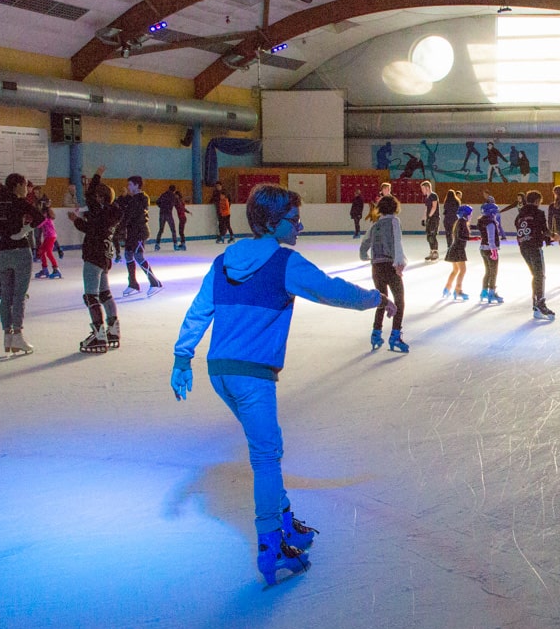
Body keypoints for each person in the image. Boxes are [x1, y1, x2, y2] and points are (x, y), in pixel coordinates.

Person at [170, 184, 395, 586]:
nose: (301, 226)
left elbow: (199, 309)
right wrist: (376, 299)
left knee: (266, 449)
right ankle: (270, 543)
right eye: (294, 220)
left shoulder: (224, 261)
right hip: (252, 375)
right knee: (266, 457)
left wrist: (183, 356)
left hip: (220, 370)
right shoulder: (283, 262)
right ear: (273, 224)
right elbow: (332, 291)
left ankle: (285, 521)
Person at [0, 173, 46, 355]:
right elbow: (41, 218)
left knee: (6, 295)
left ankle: (7, 336)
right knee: (19, 295)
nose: (26, 188)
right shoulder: (19, 202)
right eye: (24, 185)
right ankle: (18, 336)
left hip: (3, 252)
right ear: (17, 186)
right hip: (20, 251)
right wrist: (24, 230)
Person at [70, 170, 124, 353]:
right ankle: (113, 329)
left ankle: (99, 333)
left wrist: (97, 176)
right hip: (105, 256)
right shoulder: (113, 213)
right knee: (104, 293)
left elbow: (89, 228)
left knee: (90, 296)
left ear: (101, 198)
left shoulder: (98, 212)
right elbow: (94, 228)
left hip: (93, 255)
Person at [359, 194, 408, 352]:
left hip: (376, 267)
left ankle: (376, 332)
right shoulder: (394, 221)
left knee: (382, 300)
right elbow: (397, 242)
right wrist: (399, 263)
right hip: (390, 265)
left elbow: (365, 242)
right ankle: (395, 335)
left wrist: (364, 255)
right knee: (399, 300)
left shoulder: (375, 224)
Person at [116, 176, 161, 294]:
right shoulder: (133, 199)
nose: (128, 187)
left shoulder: (140, 199)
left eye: (130, 184)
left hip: (139, 233)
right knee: (128, 255)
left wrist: (118, 229)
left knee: (138, 256)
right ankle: (133, 284)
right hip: (132, 233)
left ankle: (155, 283)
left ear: (137, 185)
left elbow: (129, 216)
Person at [515, 190, 554, 319]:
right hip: (534, 247)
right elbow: (545, 230)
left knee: (535, 275)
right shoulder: (538, 213)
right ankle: (541, 304)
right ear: (537, 201)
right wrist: (553, 235)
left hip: (523, 247)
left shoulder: (520, 214)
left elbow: (519, 228)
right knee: (540, 275)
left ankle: (536, 303)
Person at [475, 197, 504, 303]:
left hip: (482, 248)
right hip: (490, 250)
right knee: (493, 272)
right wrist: (494, 251)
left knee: (487, 271)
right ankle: (491, 292)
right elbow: (491, 239)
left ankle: (484, 291)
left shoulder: (482, 221)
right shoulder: (490, 223)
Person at [443, 204, 472, 300]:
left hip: (454, 249)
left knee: (455, 270)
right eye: (469, 214)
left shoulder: (460, 222)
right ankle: (458, 290)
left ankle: (447, 288)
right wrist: (472, 238)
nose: (470, 216)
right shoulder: (462, 223)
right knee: (462, 270)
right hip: (458, 250)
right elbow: (460, 236)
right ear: (464, 215)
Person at [34, 196, 61, 280]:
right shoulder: (45, 216)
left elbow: (39, 224)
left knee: (48, 252)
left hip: (51, 237)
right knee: (41, 252)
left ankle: (56, 269)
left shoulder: (46, 218)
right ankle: (44, 269)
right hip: (48, 237)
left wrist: (32, 224)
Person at [420, 180, 441, 261]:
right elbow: (426, 209)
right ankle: (431, 251)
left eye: (423, 189)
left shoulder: (433, 195)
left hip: (434, 218)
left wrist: (429, 216)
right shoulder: (427, 198)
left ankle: (435, 253)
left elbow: (434, 207)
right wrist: (423, 218)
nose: (422, 191)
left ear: (428, 188)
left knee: (432, 235)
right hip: (429, 218)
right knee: (429, 236)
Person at [155, 185, 178, 250]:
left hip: (162, 213)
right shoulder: (173, 196)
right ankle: (175, 244)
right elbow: (176, 204)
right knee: (173, 230)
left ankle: (157, 244)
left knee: (161, 230)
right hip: (169, 214)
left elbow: (157, 202)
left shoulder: (163, 194)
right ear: (174, 190)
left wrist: (162, 207)